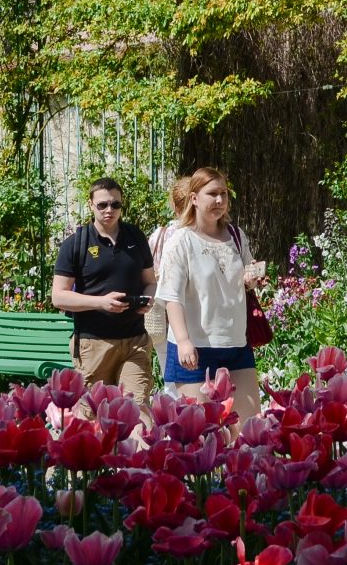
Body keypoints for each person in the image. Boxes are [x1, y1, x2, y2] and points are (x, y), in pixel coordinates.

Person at [157, 167, 265, 420]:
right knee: (202, 432)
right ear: (194, 198)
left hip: (236, 343)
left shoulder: (237, 236)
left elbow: (247, 272)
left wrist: (252, 278)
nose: (219, 200)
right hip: (195, 348)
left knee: (248, 430)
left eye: (224, 194)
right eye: (212, 194)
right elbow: (171, 296)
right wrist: (183, 341)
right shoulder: (180, 241)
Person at [51, 179, 157, 403]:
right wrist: (100, 302)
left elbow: (150, 281)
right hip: (94, 343)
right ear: (91, 205)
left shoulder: (135, 237)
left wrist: (148, 299)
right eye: (102, 205)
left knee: (135, 408)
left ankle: (137, 440)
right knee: (95, 413)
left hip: (134, 340)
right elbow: (59, 296)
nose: (109, 210)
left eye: (115, 205)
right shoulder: (76, 244)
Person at [145, 175, 198, 365]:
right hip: (196, 314)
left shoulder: (160, 235)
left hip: (164, 315)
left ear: (174, 207)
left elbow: (147, 271)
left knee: (170, 372)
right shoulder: (202, 235)